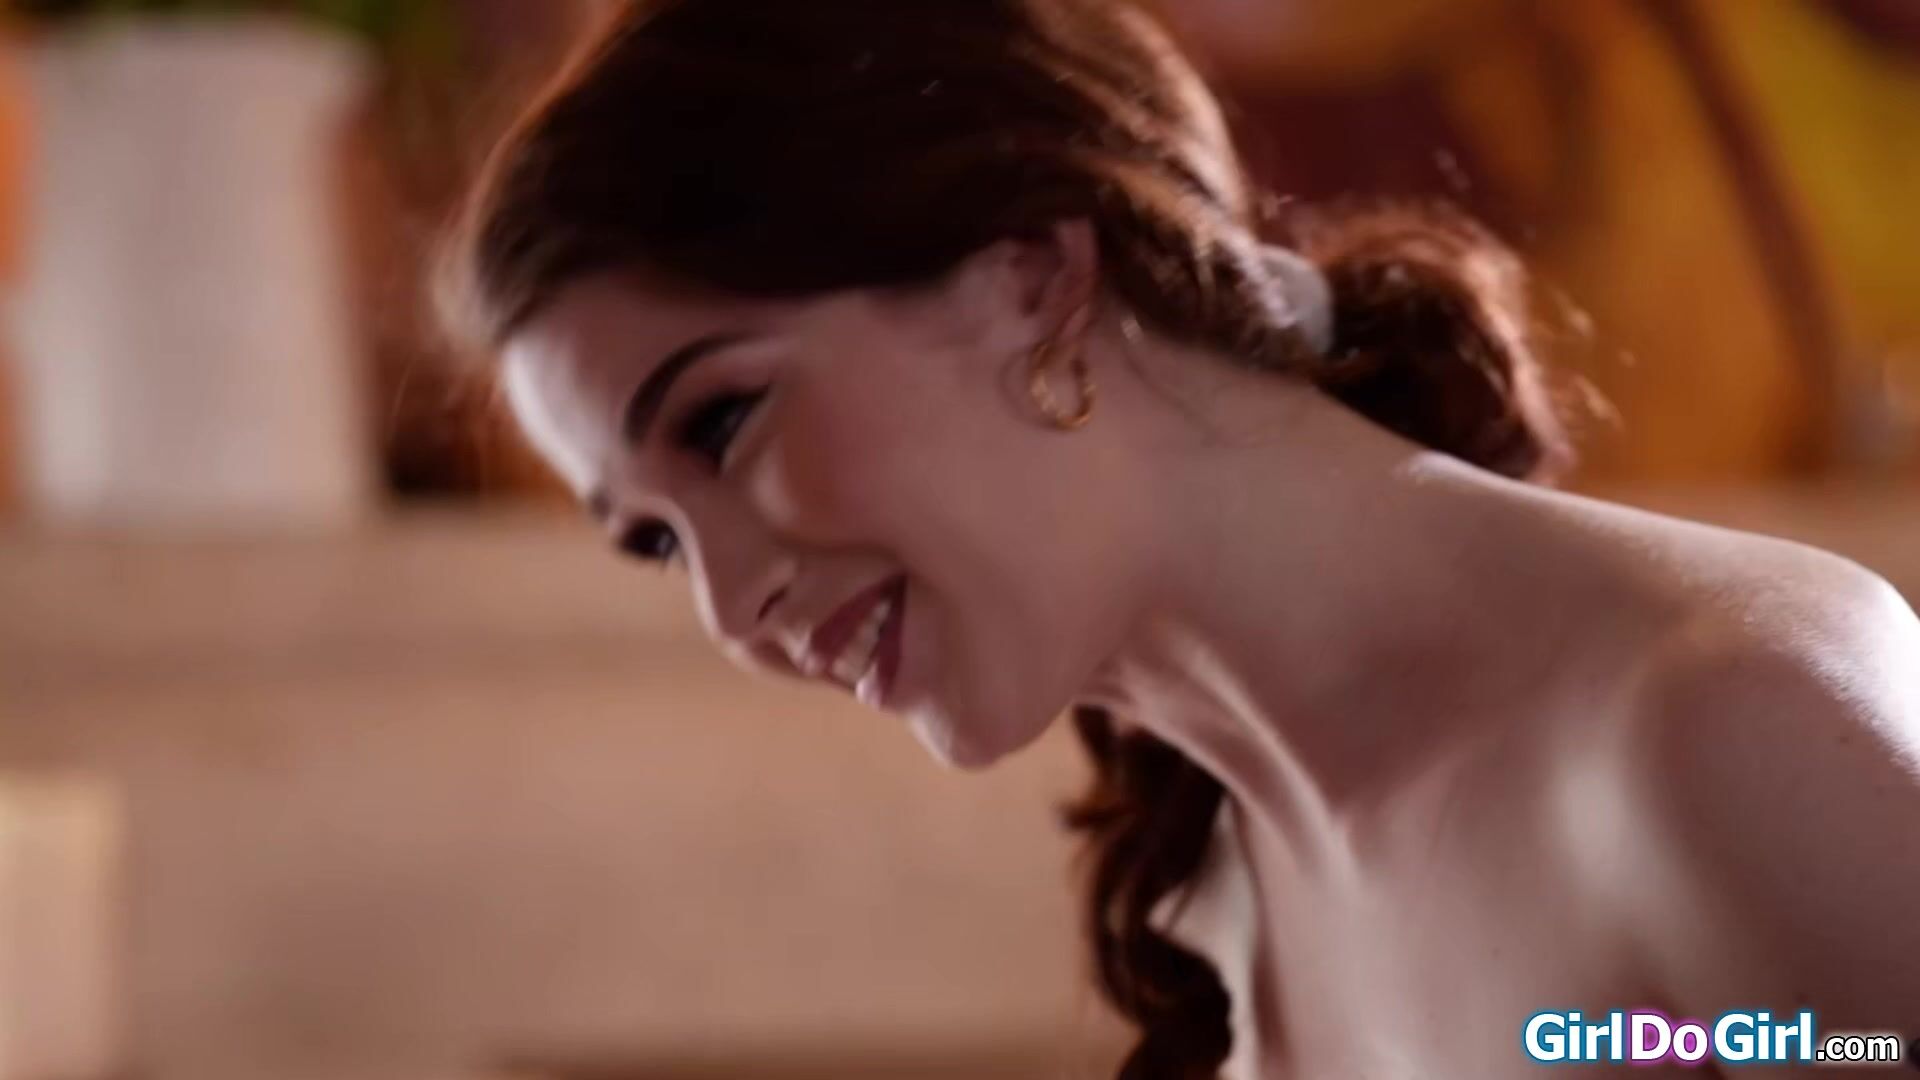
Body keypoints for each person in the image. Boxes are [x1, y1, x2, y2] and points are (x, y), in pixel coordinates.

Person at [436, 1, 1920, 1076]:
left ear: (1029, 273)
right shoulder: (1219, 885)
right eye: (655, 543)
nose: (730, 610)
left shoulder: (1726, 734)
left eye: (722, 423)